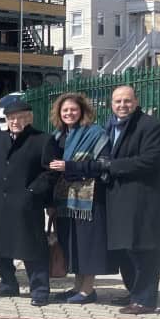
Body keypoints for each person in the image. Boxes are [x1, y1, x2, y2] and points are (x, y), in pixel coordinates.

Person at [102, 85, 160, 314]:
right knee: (125, 250)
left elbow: (150, 160)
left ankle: (145, 300)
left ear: (136, 101)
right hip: (118, 199)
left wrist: (112, 166)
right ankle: (134, 293)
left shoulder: (151, 126)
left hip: (142, 199)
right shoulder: (109, 125)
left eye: (127, 101)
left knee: (145, 250)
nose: (122, 105)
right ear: (111, 104)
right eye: (118, 101)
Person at [0, 101, 56, 306]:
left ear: (30, 118)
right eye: (11, 117)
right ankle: (8, 284)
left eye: (21, 116)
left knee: (32, 246)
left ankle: (40, 290)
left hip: (26, 202)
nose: (16, 121)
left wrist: (32, 191)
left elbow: (49, 172)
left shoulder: (42, 140)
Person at [45, 93, 112, 303]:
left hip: (89, 200)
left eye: (73, 109)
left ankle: (88, 290)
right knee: (71, 243)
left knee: (87, 245)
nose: (69, 113)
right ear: (59, 113)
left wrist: (70, 167)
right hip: (64, 200)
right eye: (65, 110)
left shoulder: (96, 133)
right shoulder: (58, 136)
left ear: (82, 110)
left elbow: (104, 165)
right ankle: (76, 286)